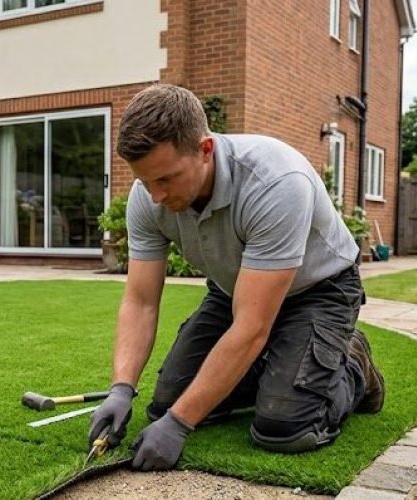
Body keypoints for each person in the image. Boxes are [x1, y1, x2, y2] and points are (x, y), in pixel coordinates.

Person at [87, 84, 385, 472]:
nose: (156, 196)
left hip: (318, 290)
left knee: (284, 426)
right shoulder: (149, 198)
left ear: (205, 150)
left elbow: (251, 327)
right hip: (233, 289)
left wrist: (179, 424)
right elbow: (141, 302)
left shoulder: (275, 183)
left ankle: (353, 366)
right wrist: (122, 387)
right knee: (165, 402)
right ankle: (283, 365)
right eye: (145, 182)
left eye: (166, 179)